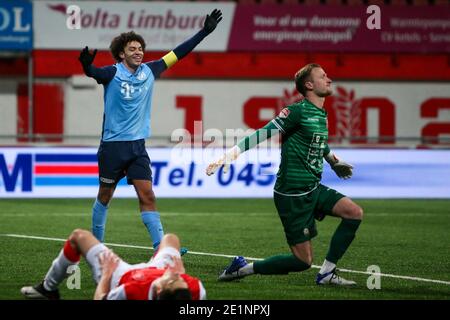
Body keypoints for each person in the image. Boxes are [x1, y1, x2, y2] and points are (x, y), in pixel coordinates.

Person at [77, 10, 222, 251]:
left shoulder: (150, 70)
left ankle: (160, 248)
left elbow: (180, 52)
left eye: (140, 48)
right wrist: (86, 65)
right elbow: (93, 73)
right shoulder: (112, 73)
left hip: (138, 147)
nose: (138, 52)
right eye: (132, 49)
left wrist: (205, 32)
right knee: (105, 196)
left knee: (148, 196)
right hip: (113, 147)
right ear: (122, 54)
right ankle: (96, 247)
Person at [206, 63, 363, 285]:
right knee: (303, 261)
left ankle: (327, 273)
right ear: (309, 85)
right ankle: (242, 269)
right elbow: (264, 132)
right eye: (323, 76)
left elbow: (319, 142)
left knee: (353, 212)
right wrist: (231, 154)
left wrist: (333, 162)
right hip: (292, 195)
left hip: (313, 187)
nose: (329, 79)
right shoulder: (296, 111)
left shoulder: (320, 113)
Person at [20, 230, 206, 300]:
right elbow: (176, 279)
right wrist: (176, 270)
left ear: (158, 290)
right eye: (180, 278)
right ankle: (156, 261)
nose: (178, 276)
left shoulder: (132, 292)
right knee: (170, 238)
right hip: (158, 269)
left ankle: (48, 288)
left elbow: (100, 298)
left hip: (119, 275)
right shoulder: (194, 288)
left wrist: (107, 275)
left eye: (173, 279)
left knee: (79, 237)